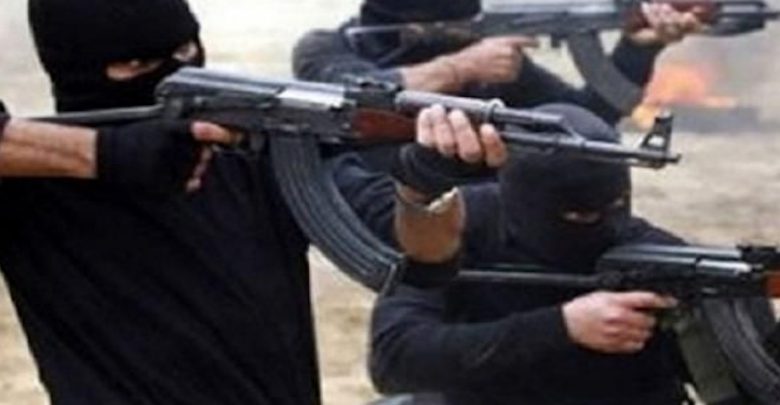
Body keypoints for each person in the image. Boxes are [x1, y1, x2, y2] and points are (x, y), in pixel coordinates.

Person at [0, 1, 506, 404]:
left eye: (185, 50)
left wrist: (425, 185)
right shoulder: (34, 182)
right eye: (136, 65)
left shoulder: (254, 151)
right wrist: (109, 155)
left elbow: (424, 259)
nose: (173, 73)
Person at [368, 104, 693, 405]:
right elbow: (393, 360)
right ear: (522, 204)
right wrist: (561, 327)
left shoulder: (657, 258)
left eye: (618, 205)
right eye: (580, 215)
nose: (606, 225)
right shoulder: (455, 227)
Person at [293, 0, 703, 127]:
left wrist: (637, 49)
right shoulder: (326, 48)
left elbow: (588, 120)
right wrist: (459, 69)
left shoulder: (490, 63)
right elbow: (350, 99)